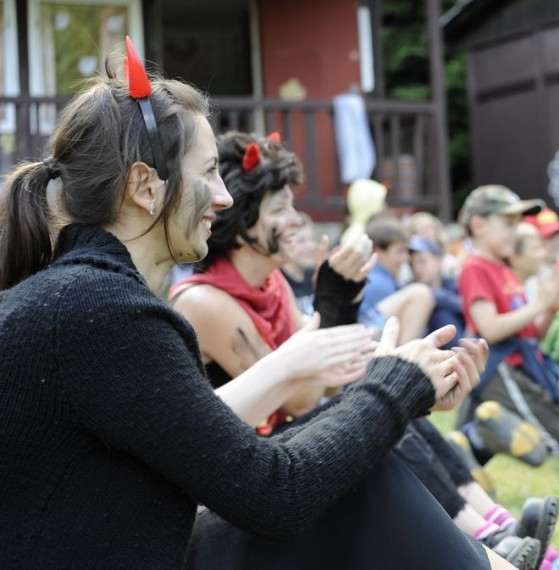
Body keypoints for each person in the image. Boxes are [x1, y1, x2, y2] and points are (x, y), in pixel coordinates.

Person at [0, 42, 497, 569]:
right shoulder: (100, 310)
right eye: (208, 173)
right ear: (145, 186)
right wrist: (393, 385)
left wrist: (404, 384)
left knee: (365, 473)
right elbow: (275, 493)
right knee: (363, 485)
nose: (225, 197)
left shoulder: (82, 300)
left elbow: (244, 454)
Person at [455, 185, 559, 455]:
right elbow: (490, 329)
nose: (515, 232)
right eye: (508, 224)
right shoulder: (474, 267)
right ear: (478, 225)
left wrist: (551, 309)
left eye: (516, 224)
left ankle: (474, 437)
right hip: (501, 367)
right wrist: (538, 305)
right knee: (555, 444)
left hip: (523, 365)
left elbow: (530, 333)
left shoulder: (504, 268)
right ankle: (477, 436)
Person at [359, 217, 436, 342]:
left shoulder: (381, 276)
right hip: (363, 338)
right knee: (421, 294)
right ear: (378, 252)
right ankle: (405, 354)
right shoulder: (376, 282)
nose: (405, 259)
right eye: (399, 252)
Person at [409, 235, 465, 349]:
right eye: (411, 264)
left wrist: (434, 295)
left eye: (422, 261)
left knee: (442, 315)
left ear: (438, 261)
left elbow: (465, 307)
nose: (416, 268)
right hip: (420, 348)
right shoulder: (409, 288)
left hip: (455, 343)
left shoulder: (454, 285)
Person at [280, 211, 320, 316]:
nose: (311, 246)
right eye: (301, 241)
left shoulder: (316, 276)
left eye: (313, 239)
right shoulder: (277, 282)